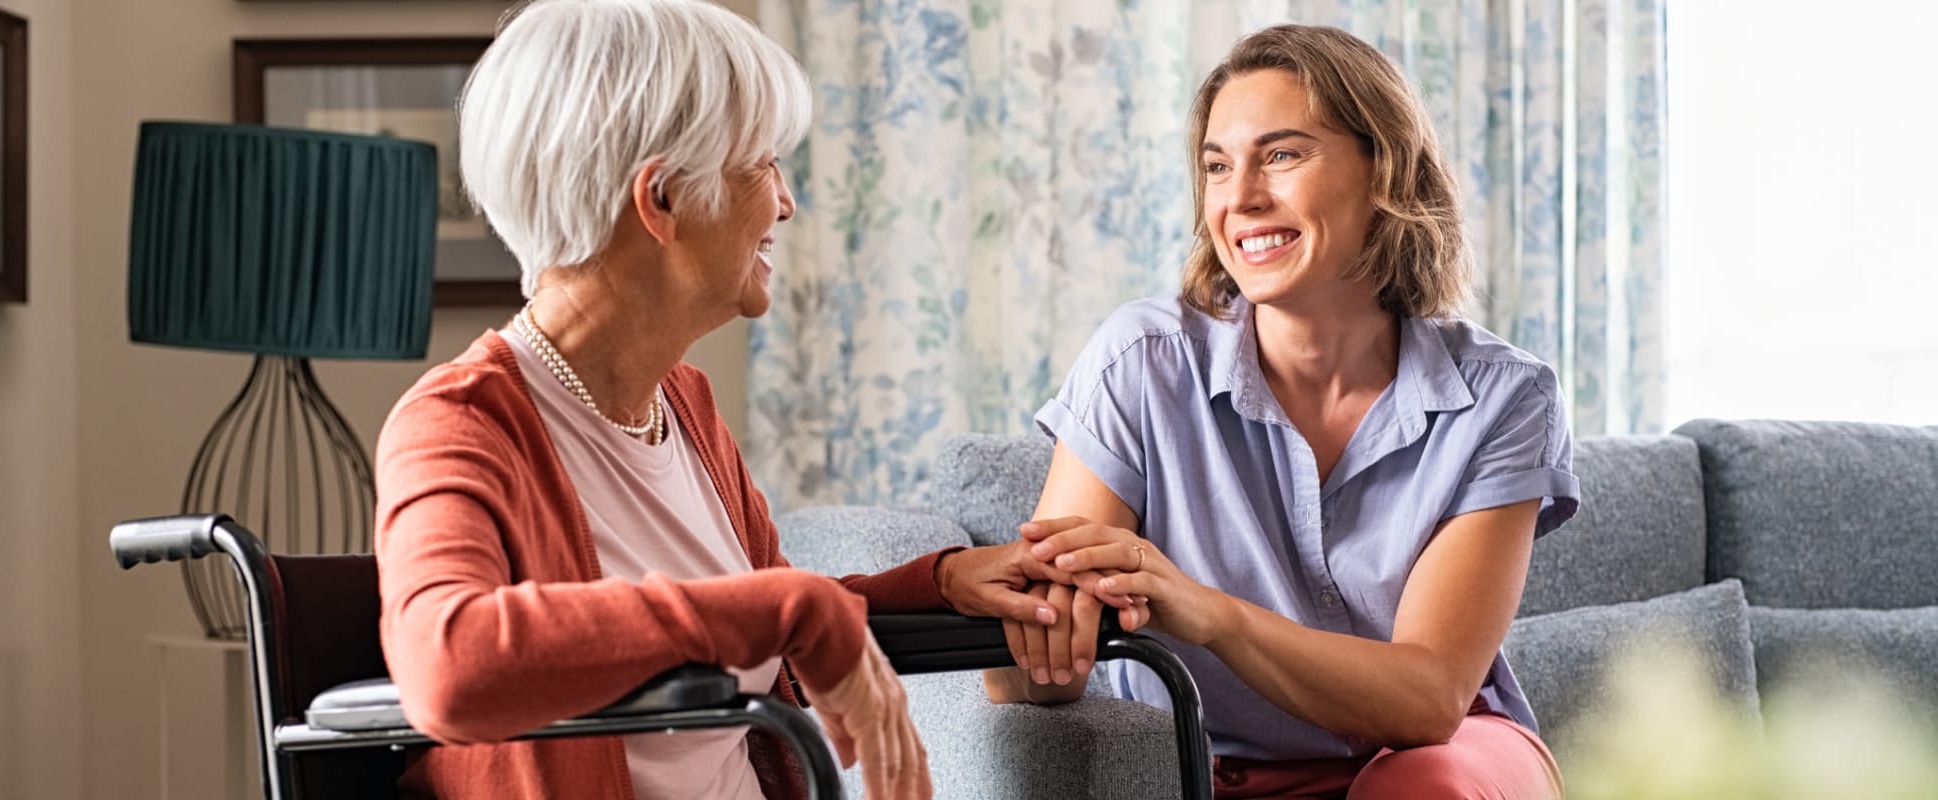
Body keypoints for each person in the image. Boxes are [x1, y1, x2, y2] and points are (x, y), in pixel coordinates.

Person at [373, 2, 1069, 798]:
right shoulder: (462, 423)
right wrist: (784, 608)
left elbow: (753, 617)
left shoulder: (684, 403)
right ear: (662, 198)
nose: (785, 201)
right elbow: (448, 669)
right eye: (761, 166)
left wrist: (939, 581)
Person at [985, 24, 1580, 799]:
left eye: (1283, 154)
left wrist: (1210, 615)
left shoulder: (1504, 398)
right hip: (1219, 769)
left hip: (1443, 759)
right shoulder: (1141, 364)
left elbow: (1429, 699)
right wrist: (1037, 648)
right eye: (1217, 166)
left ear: (1385, 170)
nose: (1240, 198)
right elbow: (1035, 663)